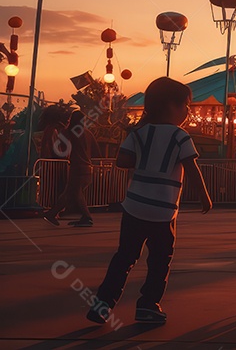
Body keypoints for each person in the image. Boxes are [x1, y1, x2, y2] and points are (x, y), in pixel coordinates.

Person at [87, 77, 212, 325]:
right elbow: (192, 167)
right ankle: (148, 305)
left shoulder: (139, 133)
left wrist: (146, 160)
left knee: (125, 257)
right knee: (159, 260)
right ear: (170, 106)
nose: (187, 112)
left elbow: (122, 161)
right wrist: (204, 196)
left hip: (134, 206)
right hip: (164, 211)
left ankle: (103, 304)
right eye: (185, 106)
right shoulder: (181, 136)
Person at [43, 111, 95, 227]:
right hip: (88, 167)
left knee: (75, 192)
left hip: (77, 167)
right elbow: (96, 150)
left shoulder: (70, 131)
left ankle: (87, 216)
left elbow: (60, 144)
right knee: (70, 193)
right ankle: (52, 213)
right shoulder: (88, 133)